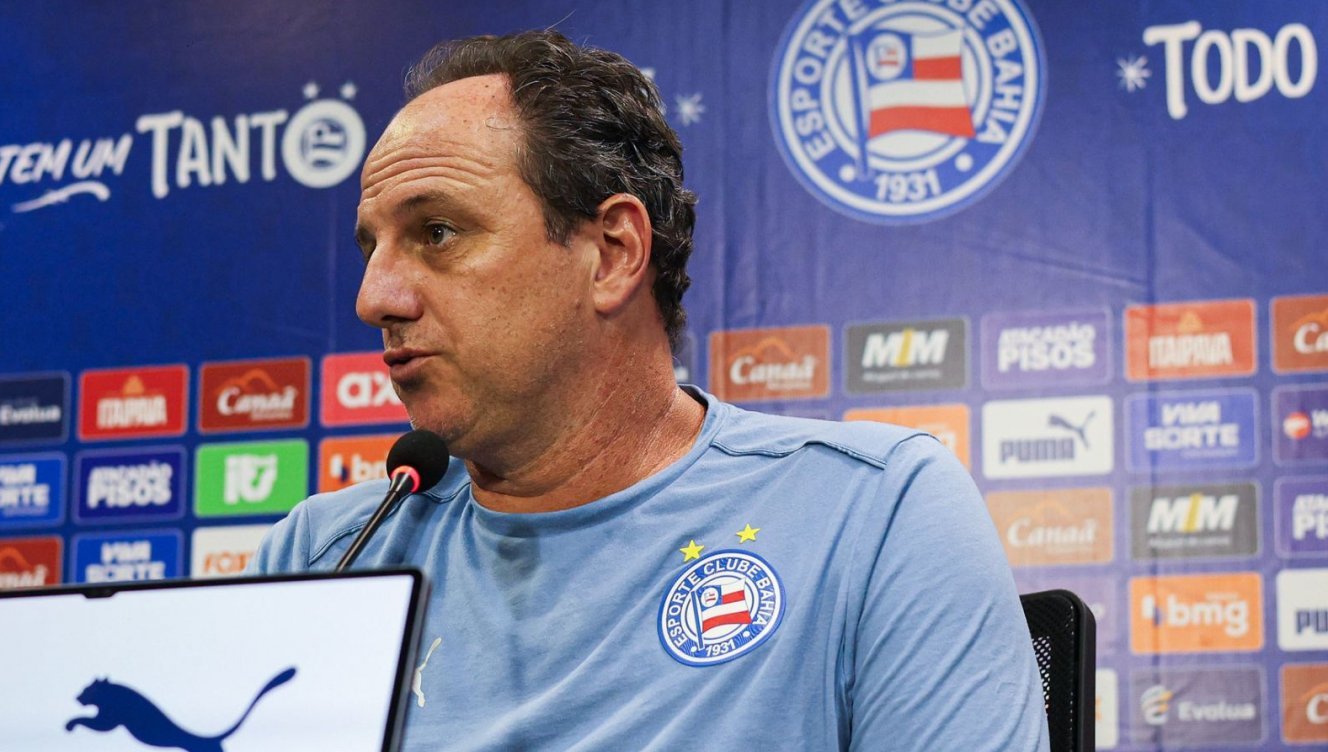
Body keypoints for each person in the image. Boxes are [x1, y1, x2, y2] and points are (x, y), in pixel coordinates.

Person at [254, 29, 1049, 751]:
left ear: (612, 254)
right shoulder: (327, 558)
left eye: (437, 232)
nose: (375, 297)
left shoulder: (872, 513)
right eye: (372, 247)